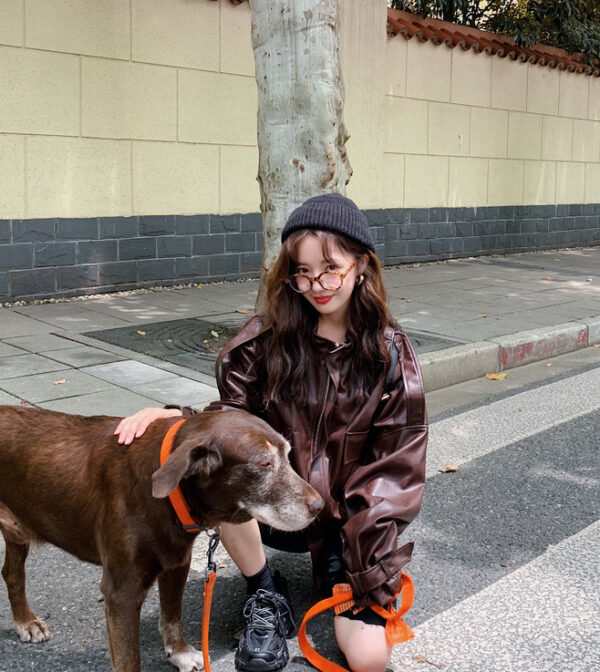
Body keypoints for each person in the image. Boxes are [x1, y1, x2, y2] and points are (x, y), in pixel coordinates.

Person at [115, 193, 428, 672]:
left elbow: (394, 473)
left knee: (368, 659)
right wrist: (175, 420)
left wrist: (364, 567)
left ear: (362, 265)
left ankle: (335, 568)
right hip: (272, 507)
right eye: (302, 271)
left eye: (330, 269)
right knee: (223, 480)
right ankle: (264, 590)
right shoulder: (264, 341)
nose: (316, 285)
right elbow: (230, 423)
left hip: (346, 524)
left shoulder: (390, 356)